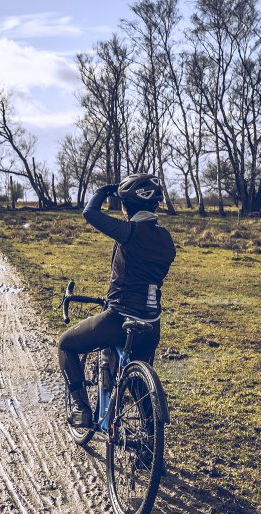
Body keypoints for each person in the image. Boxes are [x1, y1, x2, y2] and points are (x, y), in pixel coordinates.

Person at [58, 174, 176, 428]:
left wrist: (104, 189)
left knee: (65, 344)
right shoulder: (166, 239)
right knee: (138, 384)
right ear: (155, 205)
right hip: (151, 322)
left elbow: (89, 212)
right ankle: (150, 447)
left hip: (120, 318)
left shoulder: (129, 232)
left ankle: (81, 410)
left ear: (126, 206)